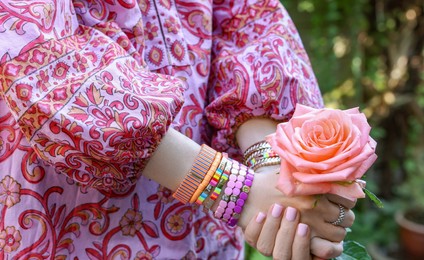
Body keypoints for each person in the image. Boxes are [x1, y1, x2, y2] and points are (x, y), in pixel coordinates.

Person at [0, 0, 355, 259]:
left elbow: (246, 24)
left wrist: (275, 178)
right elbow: (47, 65)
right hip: (72, 231)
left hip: (205, 236)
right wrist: (239, 192)